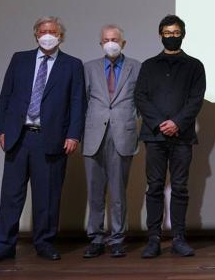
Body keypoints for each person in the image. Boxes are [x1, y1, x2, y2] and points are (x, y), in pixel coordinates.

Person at [0, 16, 85, 265]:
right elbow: (6, 94)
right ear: (36, 34)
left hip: (52, 138)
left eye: (53, 31)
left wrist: (73, 134)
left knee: (47, 196)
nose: (48, 35)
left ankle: (44, 243)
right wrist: (1, 128)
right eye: (43, 31)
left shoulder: (72, 65)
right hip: (18, 136)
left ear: (61, 36)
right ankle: (4, 246)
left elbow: (78, 103)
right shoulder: (20, 59)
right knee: (11, 196)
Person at [134, 14, 206, 258]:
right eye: (168, 32)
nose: (172, 37)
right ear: (160, 35)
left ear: (183, 35)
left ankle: (178, 237)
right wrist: (159, 124)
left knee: (180, 187)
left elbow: (196, 99)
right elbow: (141, 97)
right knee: (154, 187)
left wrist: (176, 122)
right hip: (154, 136)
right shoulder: (149, 65)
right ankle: (153, 239)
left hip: (182, 136)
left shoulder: (195, 65)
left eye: (176, 33)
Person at [82, 25, 141, 259]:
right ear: (100, 44)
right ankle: (96, 238)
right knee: (95, 192)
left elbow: (140, 100)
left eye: (115, 39)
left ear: (123, 42)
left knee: (118, 192)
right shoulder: (88, 68)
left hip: (122, 134)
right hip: (94, 135)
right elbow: (82, 101)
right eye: (106, 39)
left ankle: (117, 239)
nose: (111, 43)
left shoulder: (137, 67)